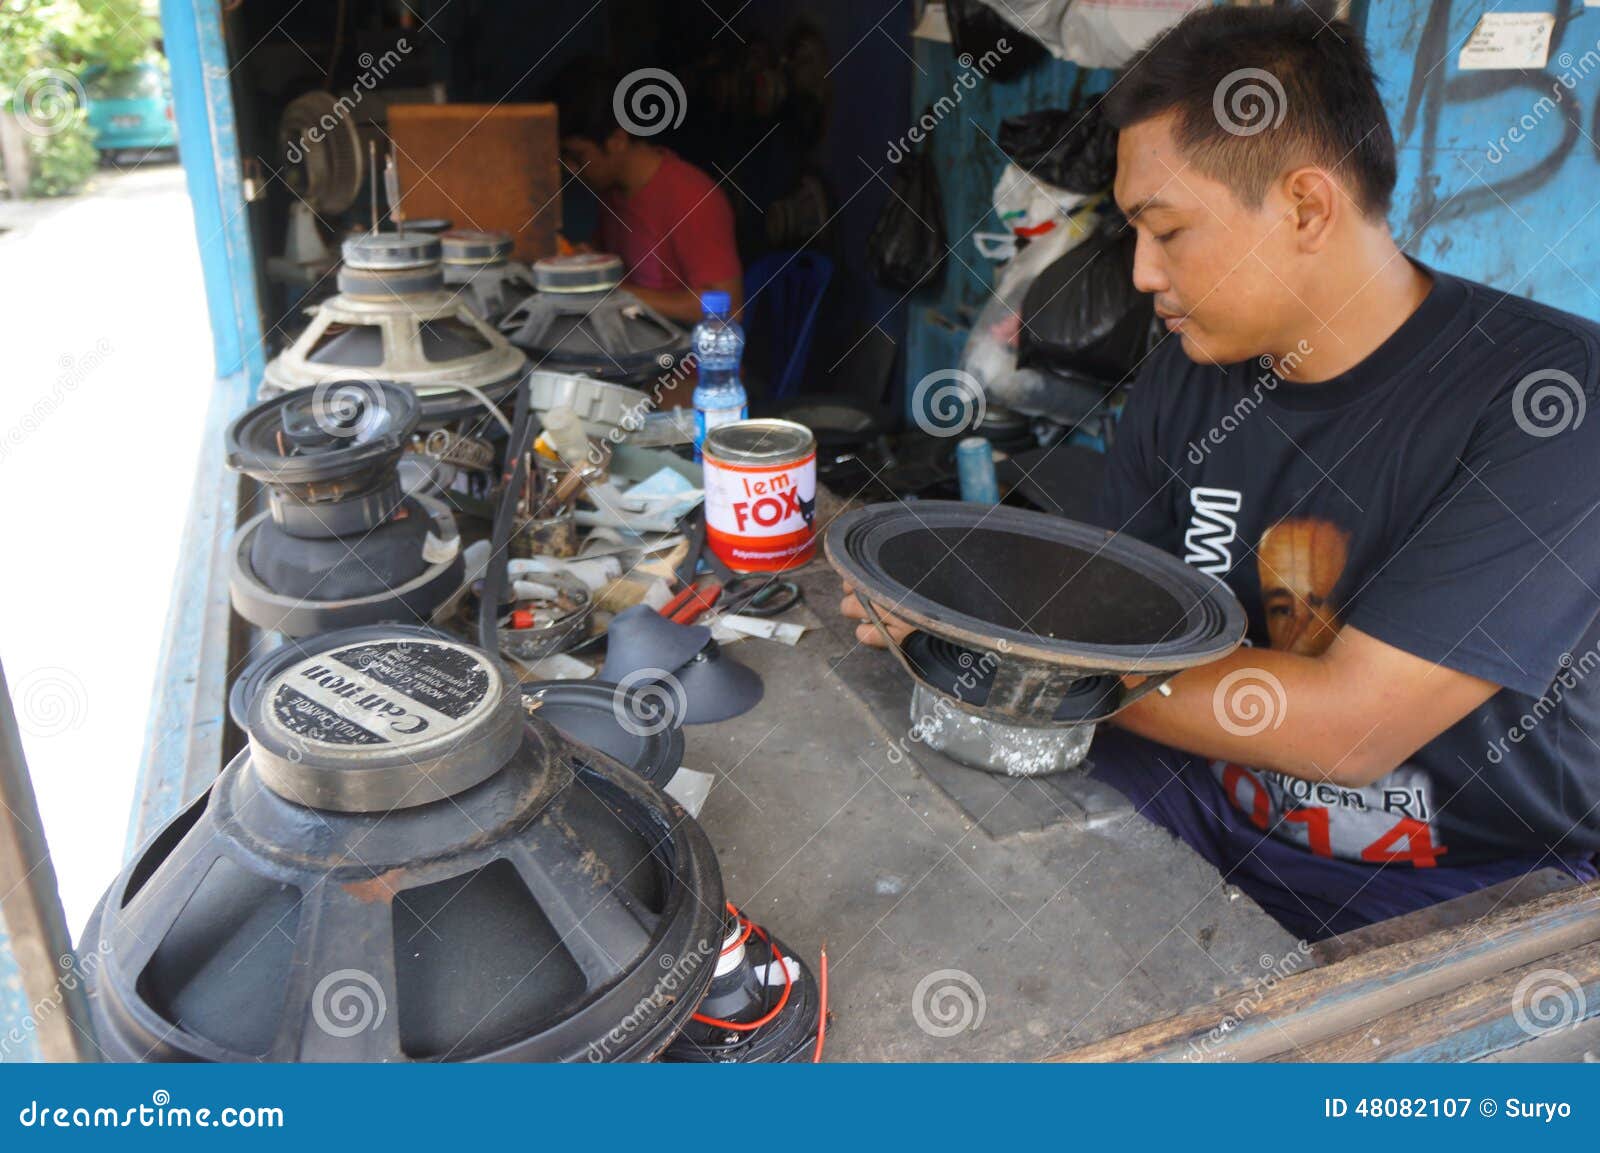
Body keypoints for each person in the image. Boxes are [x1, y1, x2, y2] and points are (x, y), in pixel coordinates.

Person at [843, 6, 1600, 941]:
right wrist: (972, 612)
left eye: (1166, 231)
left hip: (1469, 881)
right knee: (940, 866)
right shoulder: (1190, 375)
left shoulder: (1555, 399)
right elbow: (1113, 616)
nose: (1142, 273)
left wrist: (1008, 659)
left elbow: (1352, 731)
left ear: (1306, 207)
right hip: (1209, 805)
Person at [556, 67, 742, 324]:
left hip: (680, 348)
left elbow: (729, 309)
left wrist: (617, 294)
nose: (570, 169)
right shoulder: (612, 192)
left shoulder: (691, 197)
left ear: (617, 140)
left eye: (578, 156)